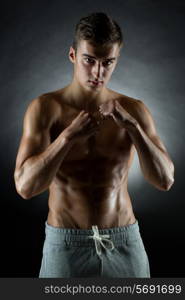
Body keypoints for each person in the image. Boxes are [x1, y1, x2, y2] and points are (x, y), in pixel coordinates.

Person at [14, 12, 174, 278]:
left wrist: (133, 128)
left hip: (124, 241)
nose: (98, 72)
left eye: (107, 62)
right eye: (89, 60)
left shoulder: (135, 110)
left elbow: (165, 180)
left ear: (116, 61)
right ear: (73, 55)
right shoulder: (45, 109)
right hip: (65, 246)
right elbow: (25, 187)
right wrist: (67, 138)